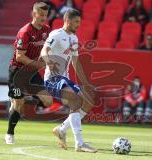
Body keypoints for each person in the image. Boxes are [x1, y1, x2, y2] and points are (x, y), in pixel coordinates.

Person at [40, 9, 97, 153]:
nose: (78, 25)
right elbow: (44, 51)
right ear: (68, 20)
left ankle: (61, 129)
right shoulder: (56, 34)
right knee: (76, 101)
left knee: (89, 102)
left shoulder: (75, 39)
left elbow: (76, 63)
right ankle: (80, 143)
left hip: (65, 79)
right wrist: (48, 61)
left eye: (79, 22)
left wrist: (85, 83)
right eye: (76, 22)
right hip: (53, 79)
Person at [5, 2, 51, 145]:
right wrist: (38, 64)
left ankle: (24, 97)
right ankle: (9, 133)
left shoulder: (47, 30)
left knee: (48, 101)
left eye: (46, 15)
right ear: (34, 14)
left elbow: (46, 49)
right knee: (18, 105)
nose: (44, 18)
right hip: (17, 72)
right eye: (41, 15)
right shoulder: (25, 32)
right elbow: (19, 57)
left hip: (31, 72)